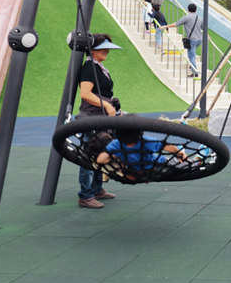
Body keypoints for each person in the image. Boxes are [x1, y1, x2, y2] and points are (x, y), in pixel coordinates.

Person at [76, 34, 122, 209]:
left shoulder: (99, 67)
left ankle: (97, 189)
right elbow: (85, 93)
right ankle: (85, 195)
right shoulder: (89, 67)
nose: (107, 51)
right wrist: (107, 106)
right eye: (103, 47)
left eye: (108, 47)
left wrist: (112, 103)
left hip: (101, 116)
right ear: (92, 49)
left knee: (100, 152)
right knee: (90, 154)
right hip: (92, 117)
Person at [96, 125, 187, 181]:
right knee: (182, 166)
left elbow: (100, 160)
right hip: (152, 167)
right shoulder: (145, 141)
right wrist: (181, 154)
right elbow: (170, 148)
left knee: (179, 165)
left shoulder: (117, 144)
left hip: (150, 167)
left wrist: (114, 155)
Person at [163, 3, 202, 77]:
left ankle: (195, 72)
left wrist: (166, 26)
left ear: (188, 9)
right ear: (196, 10)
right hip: (199, 40)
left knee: (191, 56)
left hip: (192, 40)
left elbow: (176, 24)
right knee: (192, 53)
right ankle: (192, 65)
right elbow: (203, 27)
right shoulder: (199, 18)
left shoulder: (187, 17)